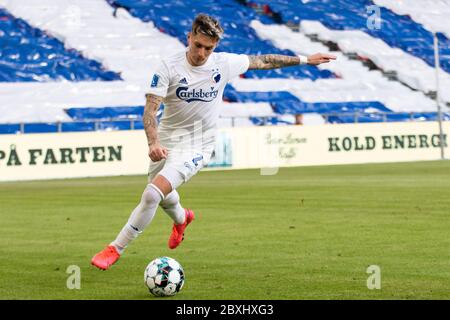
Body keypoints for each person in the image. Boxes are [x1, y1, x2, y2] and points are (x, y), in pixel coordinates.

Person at [91, 13, 336, 270]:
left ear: (215, 46)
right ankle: (182, 218)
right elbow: (150, 110)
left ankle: (115, 248)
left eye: (209, 48)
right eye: (198, 45)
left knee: (152, 194)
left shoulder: (223, 63)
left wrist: (306, 60)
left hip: (198, 144)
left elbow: (264, 61)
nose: (202, 53)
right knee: (162, 196)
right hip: (166, 142)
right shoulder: (168, 67)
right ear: (189, 37)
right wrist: (153, 143)